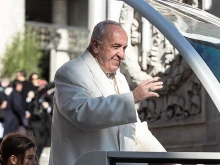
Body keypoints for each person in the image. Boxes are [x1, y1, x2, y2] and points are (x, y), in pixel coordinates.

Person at [49, 20, 165, 165]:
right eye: (116, 47)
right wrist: (133, 98)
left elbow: (135, 131)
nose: (121, 55)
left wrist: (166, 159)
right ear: (96, 45)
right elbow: (82, 113)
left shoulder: (121, 79)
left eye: (124, 48)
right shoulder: (71, 72)